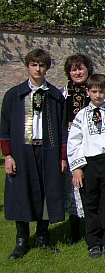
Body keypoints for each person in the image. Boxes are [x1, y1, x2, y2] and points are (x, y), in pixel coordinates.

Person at [2, 48, 67, 260]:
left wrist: (62, 156)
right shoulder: (14, 95)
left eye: (42, 65)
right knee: (22, 192)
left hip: (47, 150)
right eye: (34, 65)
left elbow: (62, 128)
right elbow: (4, 128)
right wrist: (8, 156)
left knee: (47, 191)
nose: (38, 69)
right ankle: (22, 239)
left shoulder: (55, 96)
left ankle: (43, 235)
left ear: (47, 68)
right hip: (23, 151)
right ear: (28, 66)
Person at [67, 74, 105, 258]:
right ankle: (93, 241)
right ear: (88, 92)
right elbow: (74, 141)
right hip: (88, 163)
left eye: (101, 91)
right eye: (94, 91)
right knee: (90, 203)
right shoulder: (81, 115)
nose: (98, 95)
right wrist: (77, 167)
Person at [62, 53, 94, 244]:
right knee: (73, 186)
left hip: (91, 142)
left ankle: (93, 226)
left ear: (88, 69)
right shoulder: (64, 92)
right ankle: (74, 230)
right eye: (74, 69)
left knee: (91, 184)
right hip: (72, 142)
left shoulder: (94, 89)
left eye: (80, 68)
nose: (77, 72)